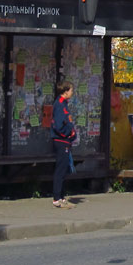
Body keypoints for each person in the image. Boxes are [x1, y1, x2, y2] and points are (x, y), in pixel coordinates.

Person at [51, 81, 77, 209]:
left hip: (65, 141)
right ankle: (56, 199)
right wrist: (68, 134)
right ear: (65, 91)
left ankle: (61, 197)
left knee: (64, 169)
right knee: (60, 169)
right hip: (61, 141)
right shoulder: (60, 105)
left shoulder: (64, 104)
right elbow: (58, 125)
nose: (72, 92)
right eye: (71, 90)